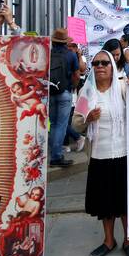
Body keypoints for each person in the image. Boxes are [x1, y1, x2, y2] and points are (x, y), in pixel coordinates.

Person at [73, 51, 129, 256]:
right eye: (95, 63)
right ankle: (109, 241)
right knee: (105, 202)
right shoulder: (87, 91)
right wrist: (87, 119)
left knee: (124, 201)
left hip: (123, 153)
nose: (99, 66)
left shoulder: (122, 88)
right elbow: (75, 123)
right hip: (100, 156)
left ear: (112, 66)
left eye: (104, 63)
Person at [49, 28, 80, 167]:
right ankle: (56, 157)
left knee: (53, 124)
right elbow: (77, 75)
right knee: (61, 125)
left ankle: (54, 153)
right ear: (65, 42)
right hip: (65, 92)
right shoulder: (71, 55)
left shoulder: (47, 54)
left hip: (49, 93)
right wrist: (72, 87)